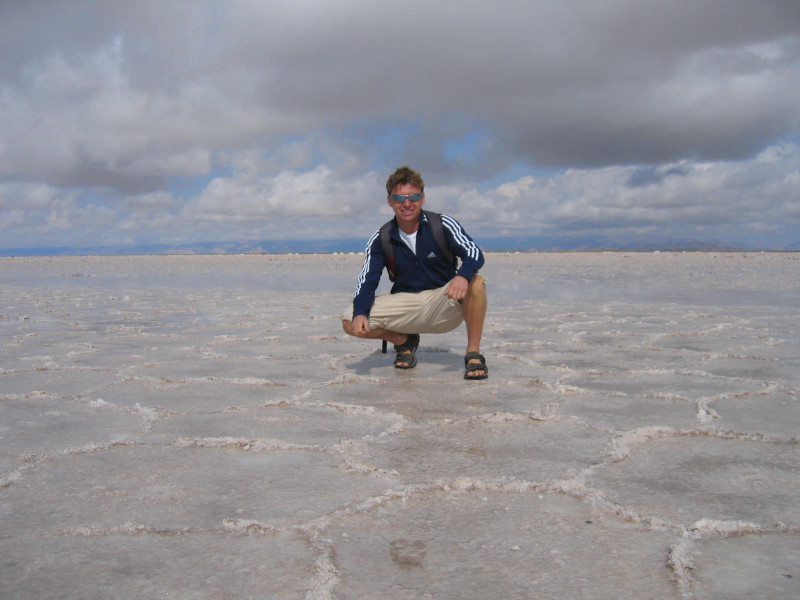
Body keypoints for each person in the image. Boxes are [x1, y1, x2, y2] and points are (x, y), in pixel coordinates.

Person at [341, 166, 488, 379]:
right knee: (349, 320)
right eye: (399, 198)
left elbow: (474, 253)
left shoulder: (442, 224)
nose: (407, 204)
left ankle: (473, 354)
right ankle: (404, 342)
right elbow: (367, 281)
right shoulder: (382, 238)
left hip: (443, 300)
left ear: (423, 198)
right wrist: (361, 312)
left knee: (476, 281)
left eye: (414, 196)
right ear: (390, 201)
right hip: (405, 304)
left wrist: (462, 276)